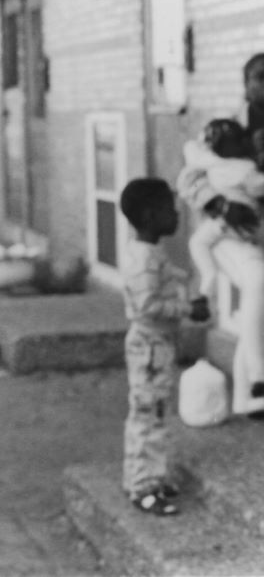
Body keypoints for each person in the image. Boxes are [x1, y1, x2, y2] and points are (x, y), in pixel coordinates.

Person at [177, 52, 264, 418]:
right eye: (259, 77)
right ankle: (260, 376)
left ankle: (249, 398)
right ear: (245, 84)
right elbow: (188, 179)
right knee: (259, 281)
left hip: (258, 231)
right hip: (228, 233)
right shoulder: (226, 129)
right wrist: (220, 206)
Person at [119, 178, 211, 516]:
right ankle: (143, 487)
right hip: (150, 347)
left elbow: (165, 278)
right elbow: (147, 306)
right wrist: (189, 310)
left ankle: (151, 478)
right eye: (169, 210)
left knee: (155, 413)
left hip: (156, 345)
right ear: (148, 216)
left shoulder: (148, 251)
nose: (176, 215)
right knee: (148, 416)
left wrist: (184, 283)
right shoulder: (144, 258)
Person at [181, 117, 264, 300]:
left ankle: (207, 283)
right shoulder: (245, 168)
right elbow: (187, 185)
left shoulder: (209, 160)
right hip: (245, 223)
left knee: (197, 243)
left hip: (224, 227)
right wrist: (219, 204)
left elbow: (190, 148)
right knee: (256, 280)